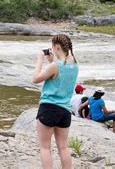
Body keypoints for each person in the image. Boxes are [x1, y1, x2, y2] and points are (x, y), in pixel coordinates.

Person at [32, 34, 78, 169]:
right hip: (65, 111)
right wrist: (52, 60)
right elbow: (61, 72)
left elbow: (35, 79)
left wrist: (40, 59)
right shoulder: (75, 63)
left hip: (49, 108)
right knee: (63, 148)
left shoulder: (55, 66)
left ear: (57, 47)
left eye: (53, 47)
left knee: (45, 148)